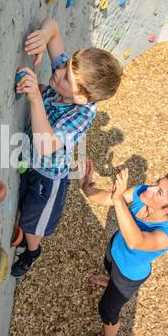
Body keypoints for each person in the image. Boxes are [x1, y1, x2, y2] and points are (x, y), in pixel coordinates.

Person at [11, 18, 123, 277]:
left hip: (49, 179)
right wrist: (43, 35)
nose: (59, 71)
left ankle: (31, 251)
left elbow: (47, 144)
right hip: (32, 161)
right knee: (23, 203)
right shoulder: (69, 73)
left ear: (81, 97)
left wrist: (35, 98)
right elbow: (53, 27)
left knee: (33, 222)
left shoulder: (81, 115)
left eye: (67, 77)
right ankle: (25, 237)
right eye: (67, 65)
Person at [78, 159, 168, 336]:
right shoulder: (141, 193)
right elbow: (106, 198)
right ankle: (110, 280)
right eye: (156, 183)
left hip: (128, 276)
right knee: (108, 267)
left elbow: (135, 240)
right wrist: (86, 187)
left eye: (159, 192)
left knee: (107, 311)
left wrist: (118, 200)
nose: (149, 189)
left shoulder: (166, 236)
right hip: (114, 253)